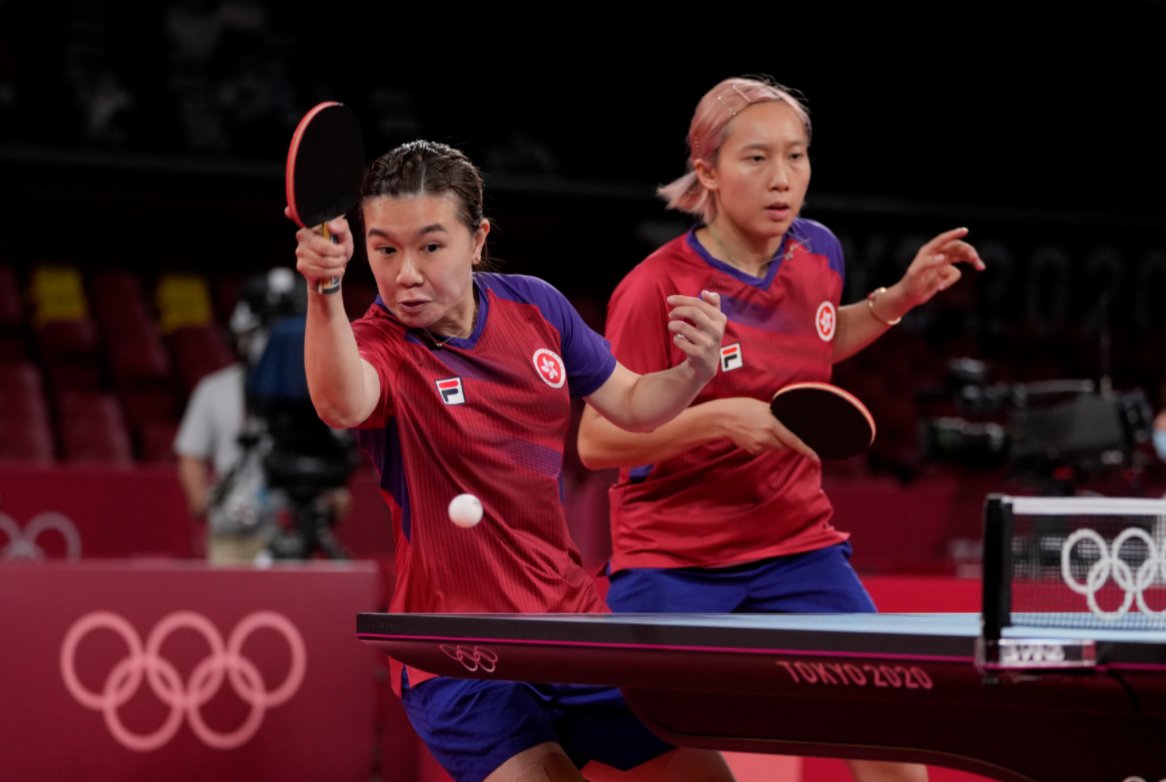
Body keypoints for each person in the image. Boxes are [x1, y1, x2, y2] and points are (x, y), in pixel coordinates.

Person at [576, 76, 986, 782]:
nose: (783, 178)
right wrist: (714, 420)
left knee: (890, 737)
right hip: (676, 557)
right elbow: (596, 441)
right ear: (707, 171)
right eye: (757, 158)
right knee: (648, 750)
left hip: (797, 546)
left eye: (796, 156)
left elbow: (817, 336)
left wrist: (897, 301)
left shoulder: (818, 251)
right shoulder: (656, 288)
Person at [290, 138, 734, 782]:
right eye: (385, 250)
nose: (406, 273)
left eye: (430, 247)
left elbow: (634, 404)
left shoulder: (536, 307)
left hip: (570, 628)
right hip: (457, 652)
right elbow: (341, 402)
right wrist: (324, 289)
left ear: (477, 240)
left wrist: (694, 371)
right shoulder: (380, 344)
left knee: (705, 774)